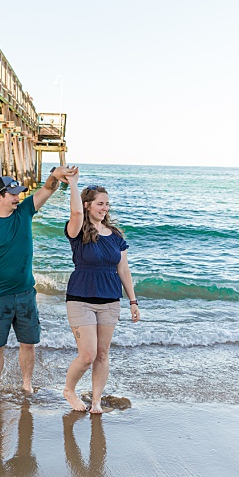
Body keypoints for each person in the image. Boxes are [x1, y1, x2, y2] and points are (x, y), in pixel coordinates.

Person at [0, 167, 76, 398]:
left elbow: (48, 189)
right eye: (13, 194)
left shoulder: (25, 211)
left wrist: (55, 175)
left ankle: (27, 386)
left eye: (19, 193)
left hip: (26, 294)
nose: (18, 197)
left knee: (28, 343)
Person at [61, 171, 140, 413]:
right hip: (80, 300)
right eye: (99, 203)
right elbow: (75, 213)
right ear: (87, 206)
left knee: (102, 354)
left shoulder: (116, 236)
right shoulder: (77, 230)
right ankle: (69, 390)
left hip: (110, 301)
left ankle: (96, 401)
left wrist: (133, 301)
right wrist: (73, 184)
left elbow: (123, 269)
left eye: (106, 204)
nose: (104, 208)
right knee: (87, 354)